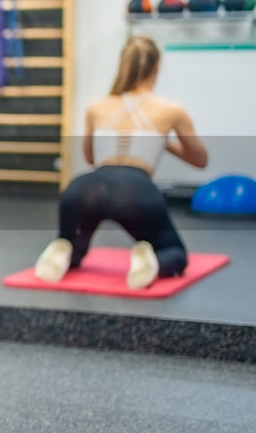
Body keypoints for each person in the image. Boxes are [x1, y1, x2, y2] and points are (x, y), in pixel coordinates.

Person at [34, 35, 208, 289]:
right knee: (174, 252)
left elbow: (91, 158)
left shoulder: (96, 106)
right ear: (157, 68)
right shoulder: (172, 110)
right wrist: (163, 141)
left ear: (122, 65)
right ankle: (152, 260)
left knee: (75, 247)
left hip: (84, 187)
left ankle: (66, 249)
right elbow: (200, 160)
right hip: (134, 190)